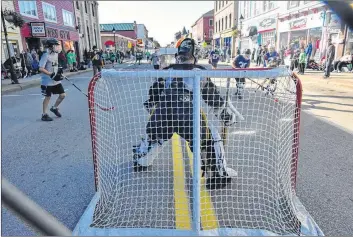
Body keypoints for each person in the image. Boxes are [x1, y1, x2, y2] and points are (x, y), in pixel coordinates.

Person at [134, 38, 240, 189]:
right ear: (194, 56)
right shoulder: (198, 72)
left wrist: (155, 110)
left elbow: (153, 97)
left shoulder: (167, 71)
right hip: (187, 115)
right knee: (211, 136)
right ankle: (218, 174)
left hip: (163, 113)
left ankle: (142, 159)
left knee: (155, 135)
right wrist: (226, 114)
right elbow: (213, 98)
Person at [39, 38, 66, 122]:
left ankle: (54, 108)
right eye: (55, 45)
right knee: (47, 97)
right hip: (47, 81)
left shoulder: (56, 54)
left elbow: (55, 65)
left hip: (56, 80)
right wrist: (50, 74)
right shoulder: (45, 55)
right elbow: (41, 68)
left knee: (63, 95)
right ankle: (44, 114)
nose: (57, 47)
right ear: (51, 46)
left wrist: (59, 72)